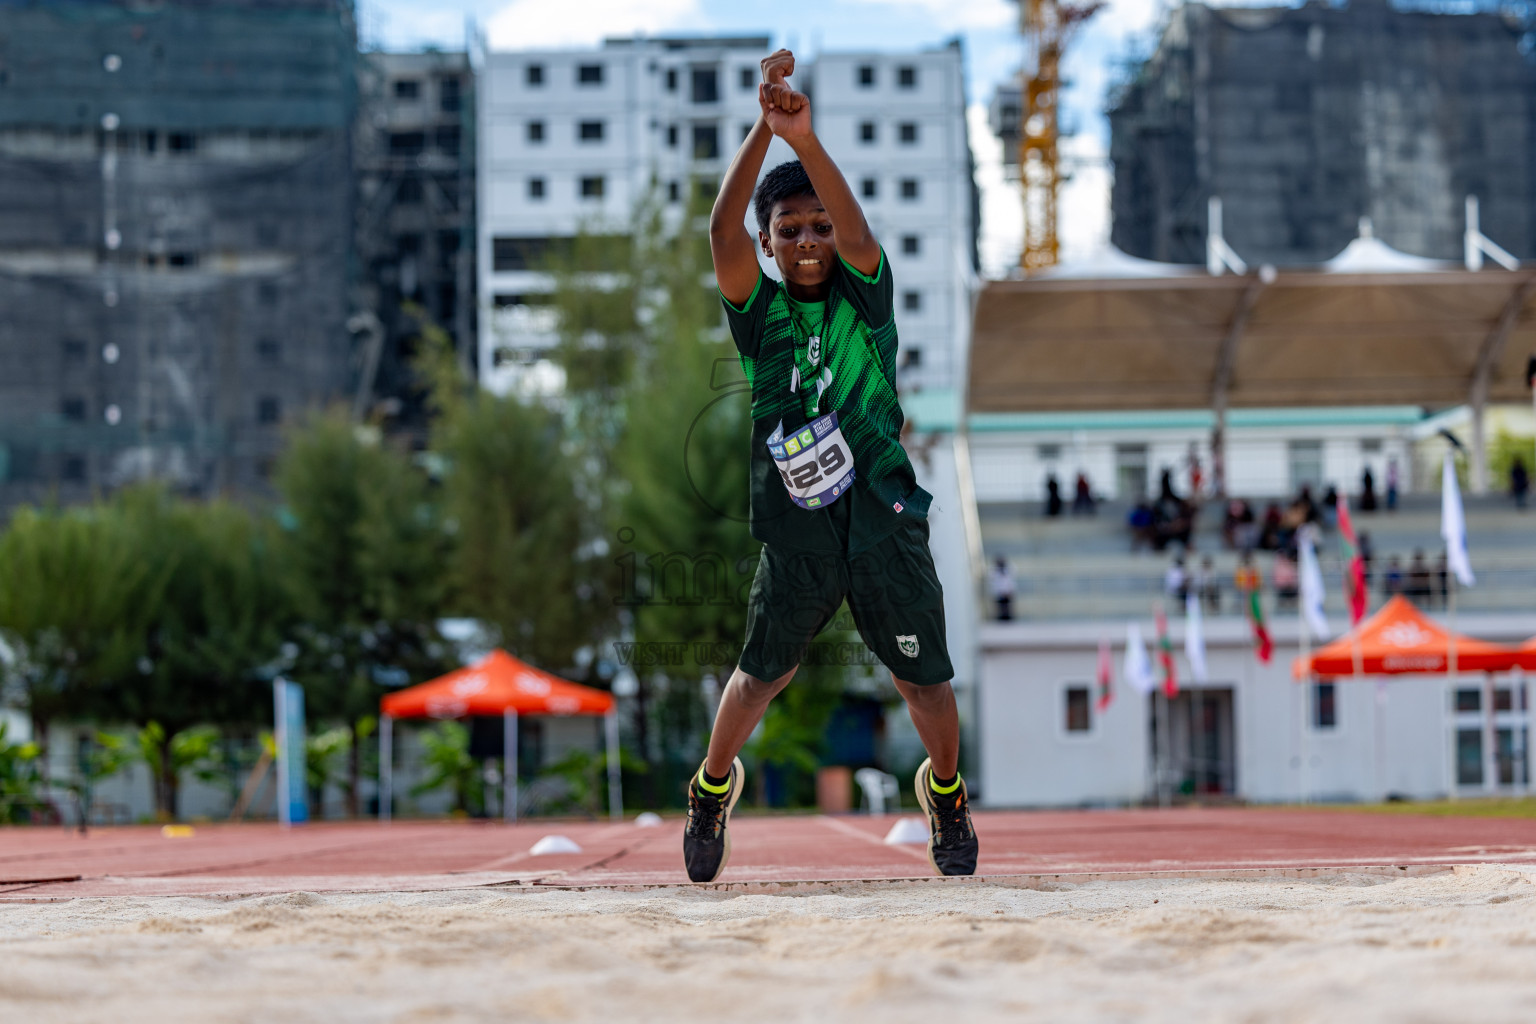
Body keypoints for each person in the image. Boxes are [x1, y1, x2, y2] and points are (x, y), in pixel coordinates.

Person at [693, 49, 975, 882]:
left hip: (884, 513)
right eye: (791, 230)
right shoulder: (761, 316)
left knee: (923, 679)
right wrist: (762, 128)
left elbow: (856, 232)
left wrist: (804, 140)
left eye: (818, 226)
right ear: (769, 245)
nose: (810, 240)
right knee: (760, 675)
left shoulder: (867, 299)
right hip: (799, 523)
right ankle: (712, 788)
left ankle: (947, 795)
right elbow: (719, 230)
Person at [989, 556, 1015, 621]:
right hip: (999, 592)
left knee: (1007, 605)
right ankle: (1001, 617)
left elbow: (1010, 581)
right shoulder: (994, 570)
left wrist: (1009, 591)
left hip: (1007, 591)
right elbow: (993, 580)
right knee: (1000, 606)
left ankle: (1008, 617)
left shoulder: (1008, 569)